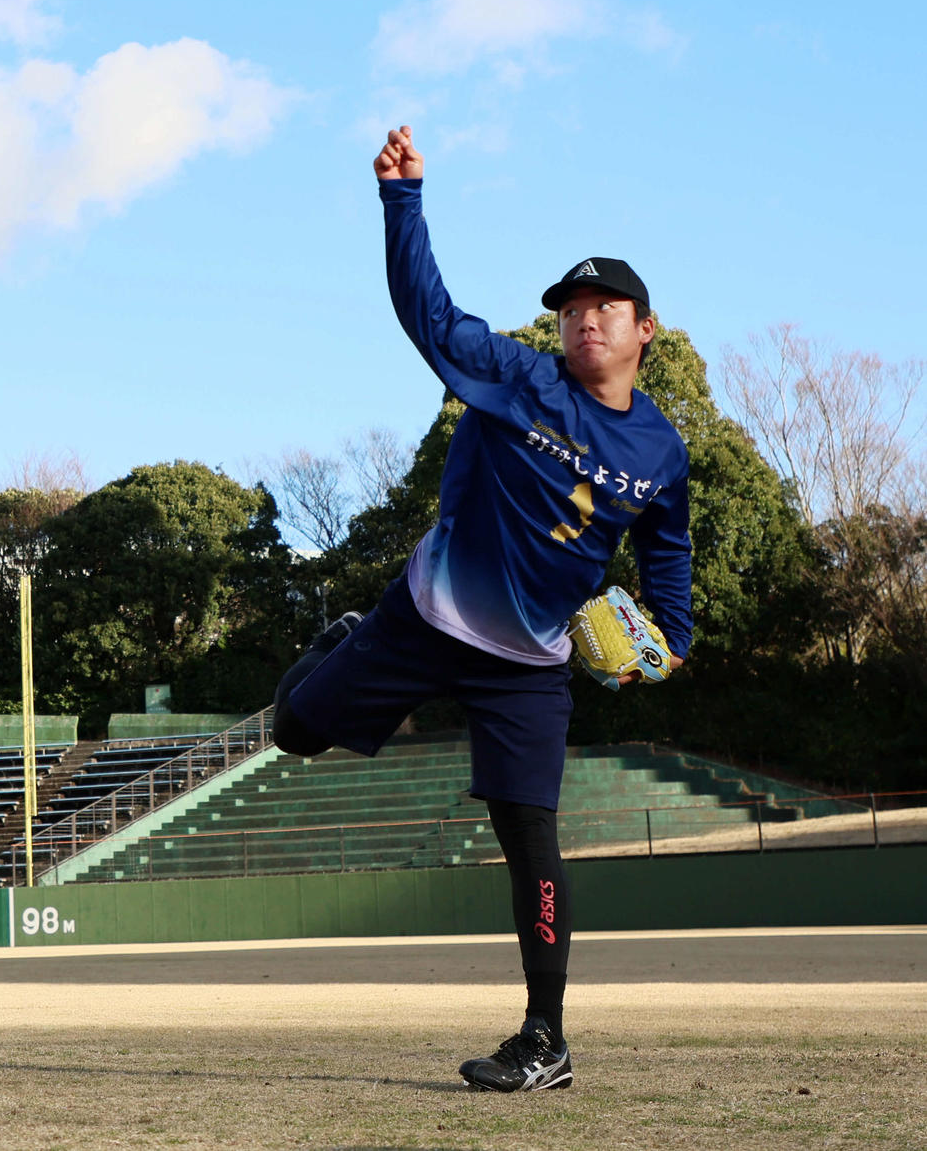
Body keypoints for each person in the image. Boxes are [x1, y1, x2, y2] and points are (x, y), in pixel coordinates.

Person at [272, 125, 692, 1092]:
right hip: (422, 620)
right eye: (572, 309)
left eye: (606, 306)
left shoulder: (662, 454)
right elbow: (429, 314)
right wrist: (403, 201)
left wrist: (672, 645)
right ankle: (338, 642)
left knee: (529, 836)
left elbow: (667, 559)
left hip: (530, 664)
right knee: (294, 730)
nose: (585, 320)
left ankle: (546, 1040)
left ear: (644, 330)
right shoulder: (518, 375)